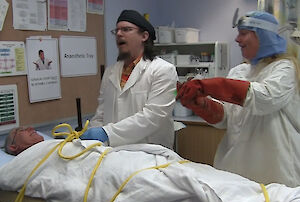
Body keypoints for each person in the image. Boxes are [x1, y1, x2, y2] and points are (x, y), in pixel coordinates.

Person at [177, 11, 300, 187]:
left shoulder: (284, 69)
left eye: (243, 33)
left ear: (263, 36)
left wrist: (209, 85)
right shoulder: (239, 72)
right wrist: (201, 104)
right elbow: (226, 118)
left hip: (275, 174)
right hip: (235, 170)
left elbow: (263, 98)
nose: (236, 39)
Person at [81, 10, 177, 149]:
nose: (119, 34)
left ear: (144, 36)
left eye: (126, 29)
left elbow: (153, 117)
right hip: (114, 153)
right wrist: (91, 140)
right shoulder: (110, 72)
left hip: (149, 153)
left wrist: (107, 133)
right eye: (117, 30)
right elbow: (101, 114)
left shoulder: (163, 70)